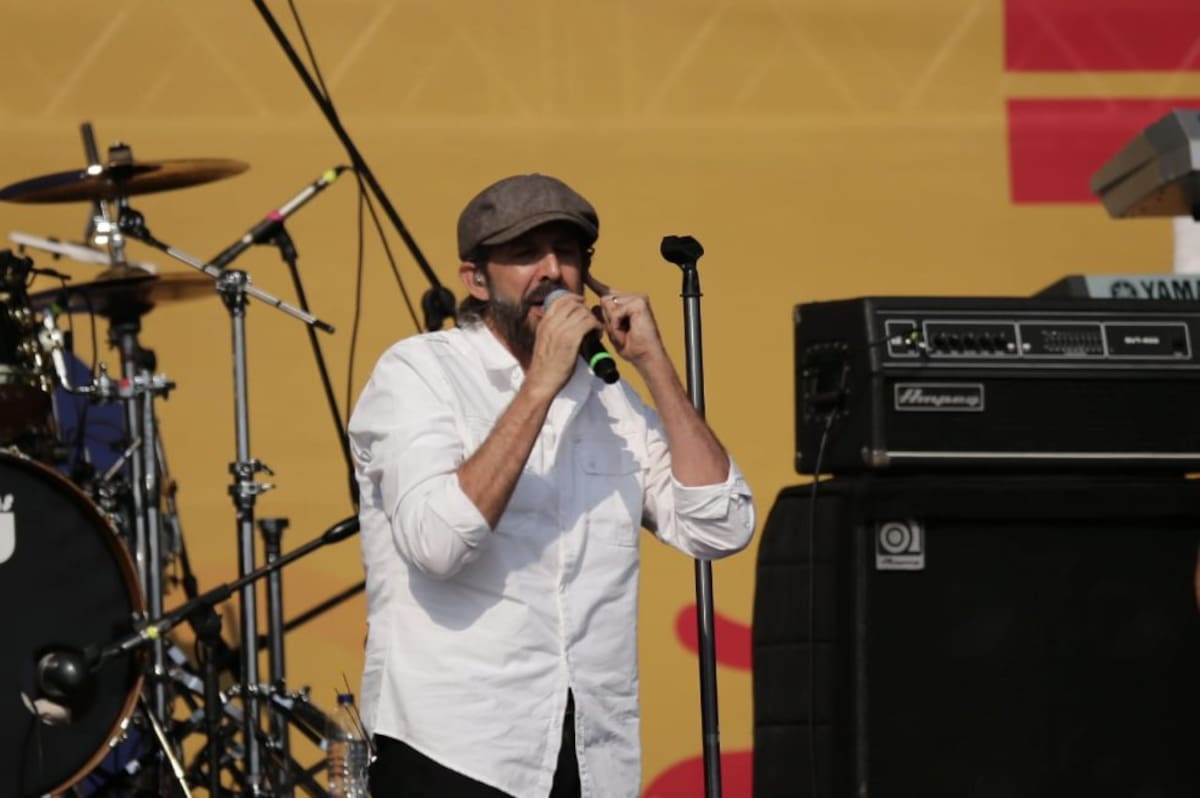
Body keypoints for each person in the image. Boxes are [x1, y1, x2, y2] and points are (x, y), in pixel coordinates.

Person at [348, 173, 756, 797]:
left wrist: (654, 365)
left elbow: (721, 524)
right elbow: (438, 544)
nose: (552, 271)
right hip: (453, 747)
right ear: (476, 279)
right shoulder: (418, 373)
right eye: (525, 254)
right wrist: (539, 384)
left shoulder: (609, 398)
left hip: (589, 754)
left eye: (567, 252)